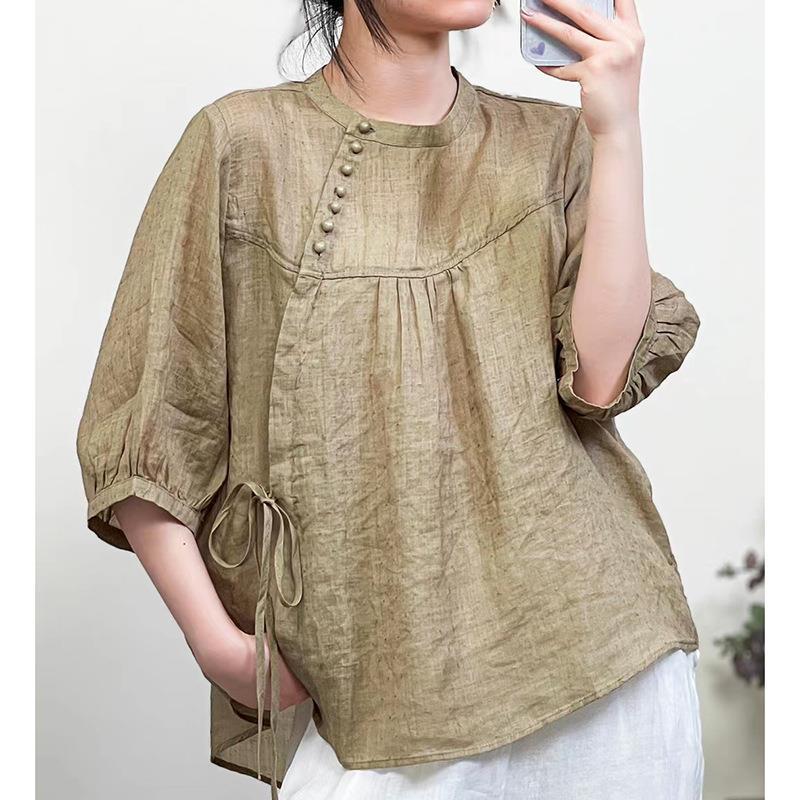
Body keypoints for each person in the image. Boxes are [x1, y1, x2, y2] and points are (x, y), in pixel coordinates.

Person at [75, 1, 704, 798]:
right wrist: (220, 647)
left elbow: (601, 377)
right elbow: (149, 419)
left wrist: (616, 131)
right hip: (376, 693)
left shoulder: (554, 142)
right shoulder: (241, 142)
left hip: (606, 671)